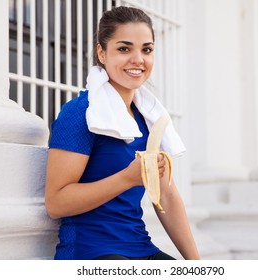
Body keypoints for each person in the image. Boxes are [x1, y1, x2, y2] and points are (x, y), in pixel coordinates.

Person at [45, 6, 200, 260]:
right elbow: (56, 203)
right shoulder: (80, 114)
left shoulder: (148, 117)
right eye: (124, 48)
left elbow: (168, 197)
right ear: (101, 53)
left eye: (146, 49)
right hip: (91, 253)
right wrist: (127, 178)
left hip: (141, 248)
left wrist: (196, 266)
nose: (138, 59)